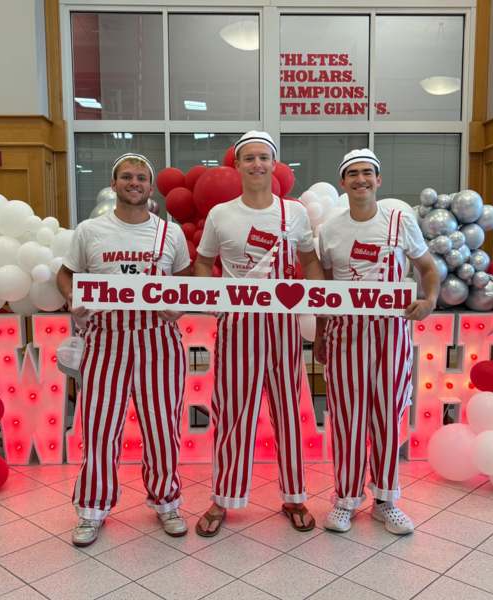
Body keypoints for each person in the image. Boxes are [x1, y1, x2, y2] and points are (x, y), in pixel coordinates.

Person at [193, 131, 325, 536]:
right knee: (233, 414)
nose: (256, 165)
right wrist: (214, 303)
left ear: (274, 164)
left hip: (283, 327)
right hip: (237, 329)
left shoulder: (295, 212)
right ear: (236, 165)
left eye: (263, 158)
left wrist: (319, 311)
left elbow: (310, 263)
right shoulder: (221, 214)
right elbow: (203, 263)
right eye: (248, 158)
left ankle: (294, 495)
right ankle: (224, 497)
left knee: (288, 412)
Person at [57, 153, 192, 546]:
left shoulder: (171, 234)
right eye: (126, 177)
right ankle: (92, 508)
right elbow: (66, 272)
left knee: (163, 427)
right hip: (106, 340)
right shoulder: (90, 230)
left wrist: (177, 306)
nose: (134, 183)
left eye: (141, 178)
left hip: (159, 339)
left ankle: (167, 501)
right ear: (114, 185)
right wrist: (71, 297)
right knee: (100, 427)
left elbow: (185, 280)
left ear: (151, 188)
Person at [315, 149, 440, 534]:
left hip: (391, 335)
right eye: (352, 174)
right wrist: (320, 335)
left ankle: (386, 499)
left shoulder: (400, 221)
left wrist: (430, 299)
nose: (360, 180)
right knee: (348, 419)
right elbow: (324, 290)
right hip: (344, 335)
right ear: (343, 182)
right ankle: (346, 500)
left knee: (387, 416)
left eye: (367, 173)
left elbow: (428, 268)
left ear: (379, 180)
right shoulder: (330, 231)